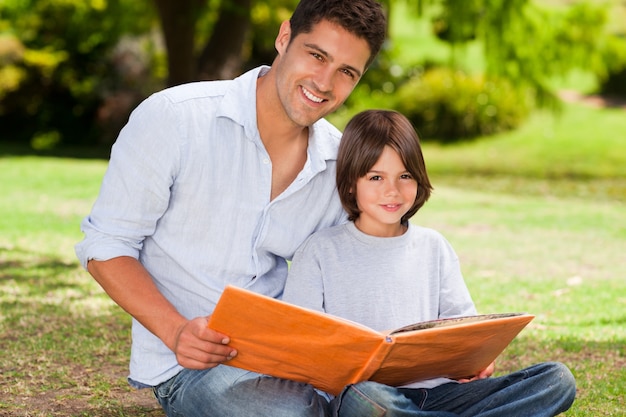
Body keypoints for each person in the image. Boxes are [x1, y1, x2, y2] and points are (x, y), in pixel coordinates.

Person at [75, 1, 387, 416]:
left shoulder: (338, 162)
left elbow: (353, 272)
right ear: (283, 38)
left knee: (385, 401)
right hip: (193, 366)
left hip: (294, 359)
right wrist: (177, 331)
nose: (325, 83)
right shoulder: (174, 119)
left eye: (347, 72)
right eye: (317, 55)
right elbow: (106, 245)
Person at [282, 109, 577, 416]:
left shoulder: (434, 246)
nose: (392, 191)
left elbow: (462, 328)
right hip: (369, 398)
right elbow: (302, 349)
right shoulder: (319, 251)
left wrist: (477, 359)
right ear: (350, 184)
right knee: (365, 399)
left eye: (404, 176)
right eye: (376, 177)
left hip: (442, 394)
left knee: (556, 380)